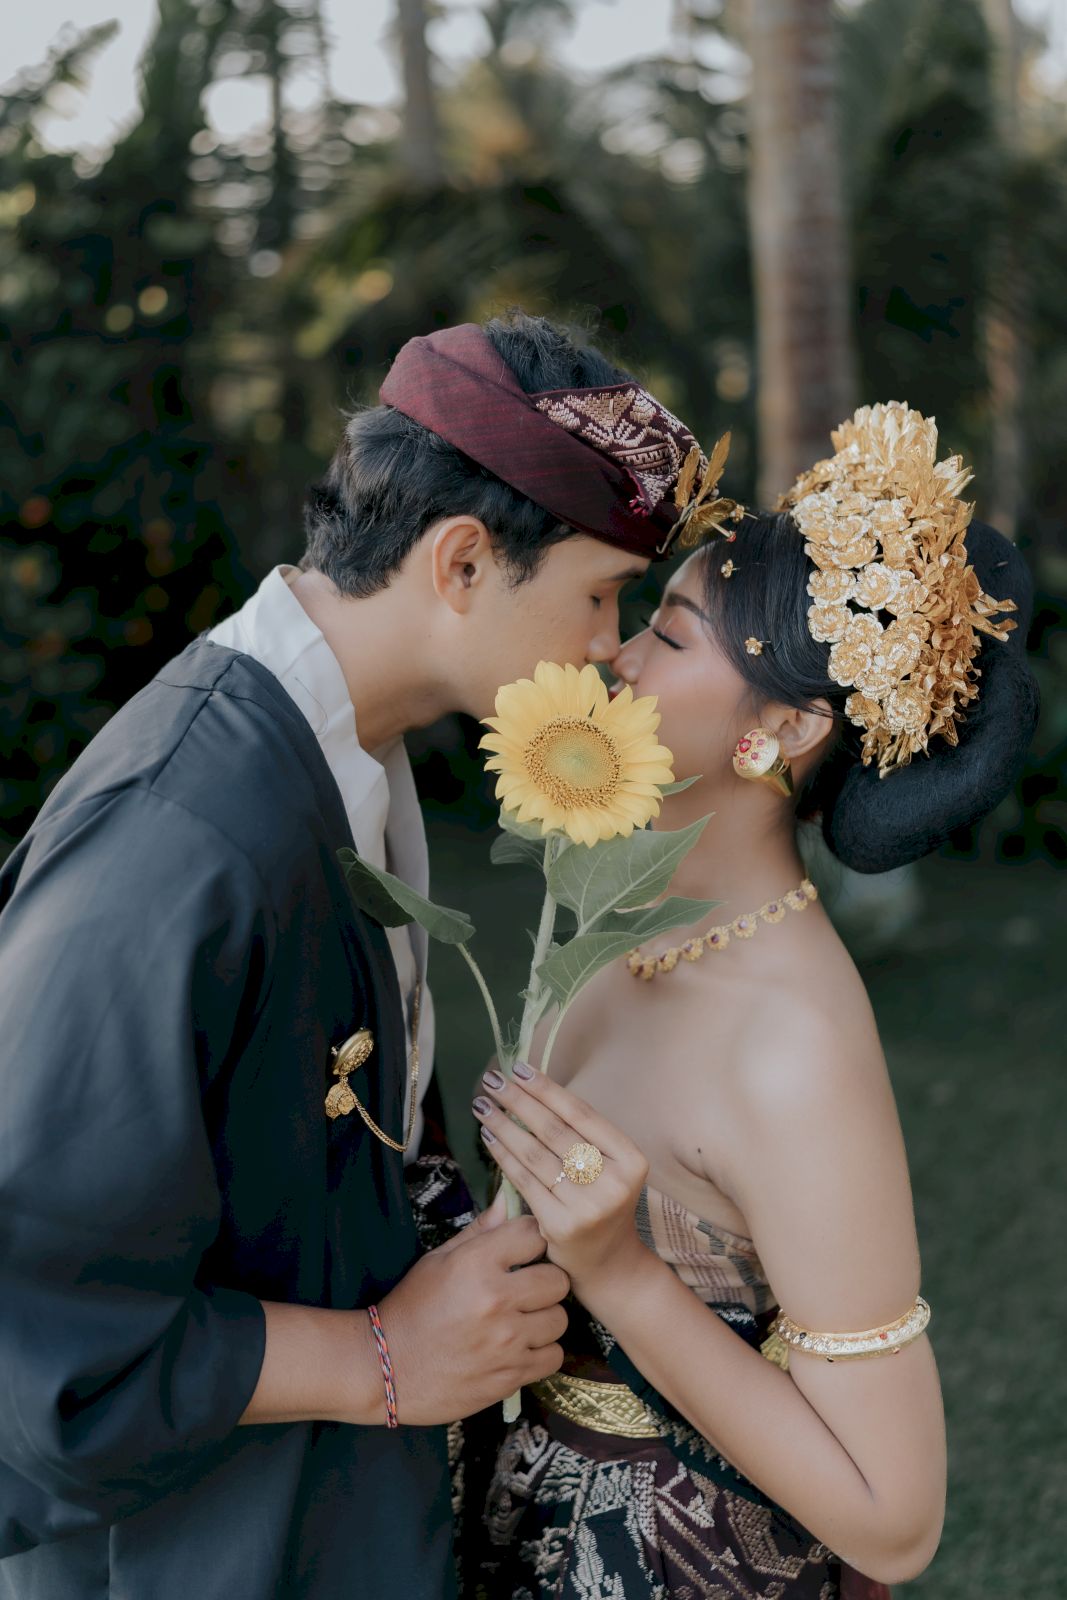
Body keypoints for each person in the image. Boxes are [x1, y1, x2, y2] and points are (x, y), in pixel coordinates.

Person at [0, 312, 709, 1599]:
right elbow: (31, 1330)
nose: (611, 644)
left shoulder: (344, 745)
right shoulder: (178, 836)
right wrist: (382, 1355)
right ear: (462, 561)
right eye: (600, 592)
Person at [464, 404, 1038, 1597]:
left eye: (667, 636)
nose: (616, 658)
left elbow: (893, 1519)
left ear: (783, 727)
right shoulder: (611, 919)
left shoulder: (793, 1046)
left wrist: (621, 1272)